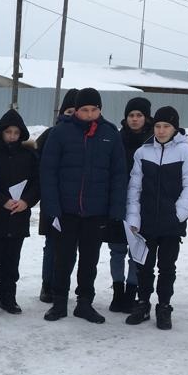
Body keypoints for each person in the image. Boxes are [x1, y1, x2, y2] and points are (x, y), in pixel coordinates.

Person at [39, 87, 127, 323]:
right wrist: (52, 209)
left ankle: (84, 303)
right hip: (66, 211)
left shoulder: (110, 134)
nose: (89, 114)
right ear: (76, 111)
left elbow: (119, 175)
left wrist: (116, 209)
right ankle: (59, 303)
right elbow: (48, 173)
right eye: (85, 110)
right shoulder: (60, 133)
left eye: (94, 109)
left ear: (100, 109)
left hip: (96, 212)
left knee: (89, 260)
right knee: (63, 259)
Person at [124, 106, 188, 330]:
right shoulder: (143, 152)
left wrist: (178, 214)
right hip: (145, 222)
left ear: (175, 128)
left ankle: (164, 306)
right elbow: (134, 187)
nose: (161, 130)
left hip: (171, 222)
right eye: (157, 126)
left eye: (166, 126)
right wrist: (133, 217)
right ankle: (143, 303)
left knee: (167, 268)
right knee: (144, 266)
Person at [0, 108, 40, 315]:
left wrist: (26, 201)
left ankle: (8, 296)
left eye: (16, 132)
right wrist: (1, 200)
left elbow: (37, 183)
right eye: (8, 132)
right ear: (1, 132)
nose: (12, 136)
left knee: (11, 260)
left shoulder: (29, 155)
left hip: (19, 216)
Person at [107, 96, 153, 314]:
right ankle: (117, 292)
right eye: (131, 115)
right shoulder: (117, 139)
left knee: (137, 251)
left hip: (143, 205)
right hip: (118, 202)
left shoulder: (154, 140)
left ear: (146, 117)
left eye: (139, 115)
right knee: (116, 250)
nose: (135, 119)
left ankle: (131, 292)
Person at [34, 88, 76, 303]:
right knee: (52, 245)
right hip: (53, 200)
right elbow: (36, 163)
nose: (72, 115)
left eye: (76, 111)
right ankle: (47, 284)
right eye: (69, 110)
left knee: (71, 247)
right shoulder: (50, 134)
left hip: (77, 203)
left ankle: (62, 285)